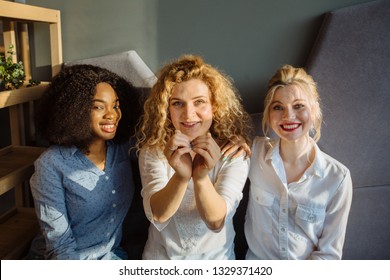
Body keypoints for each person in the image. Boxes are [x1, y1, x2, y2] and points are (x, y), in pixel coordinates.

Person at [136, 54, 253, 259]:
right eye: (178, 104)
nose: (189, 114)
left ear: (214, 106)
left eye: (199, 102)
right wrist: (181, 176)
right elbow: (158, 214)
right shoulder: (153, 151)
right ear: (166, 108)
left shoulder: (232, 153)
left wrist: (200, 177)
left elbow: (216, 221)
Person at [26, 64, 138, 259]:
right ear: (73, 110)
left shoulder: (123, 149)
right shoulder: (51, 164)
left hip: (111, 257)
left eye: (116, 105)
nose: (112, 114)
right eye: (98, 107)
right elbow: (60, 248)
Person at [244, 64, 353, 260]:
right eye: (278, 107)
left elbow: (329, 256)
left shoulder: (338, 178)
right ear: (269, 114)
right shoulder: (253, 152)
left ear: (314, 110)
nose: (288, 116)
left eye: (298, 106)